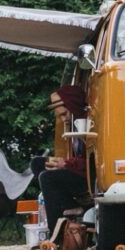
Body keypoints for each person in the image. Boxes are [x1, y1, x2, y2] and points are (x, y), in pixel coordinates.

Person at [31, 84, 89, 234]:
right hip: (77, 170)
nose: (63, 119)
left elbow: (93, 162)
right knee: (38, 163)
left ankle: (56, 233)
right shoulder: (72, 126)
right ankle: (69, 205)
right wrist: (62, 163)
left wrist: (66, 164)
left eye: (64, 114)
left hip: (89, 177)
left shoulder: (88, 124)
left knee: (47, 178)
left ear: (73, 105)